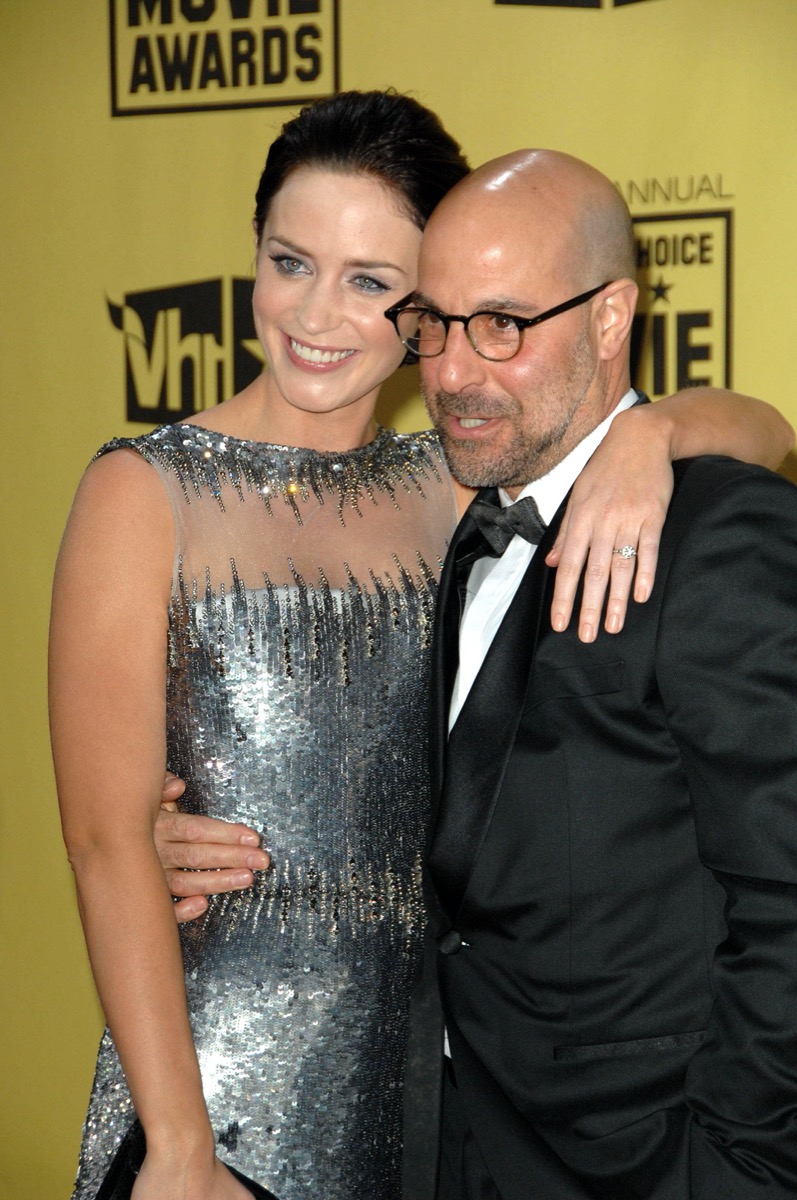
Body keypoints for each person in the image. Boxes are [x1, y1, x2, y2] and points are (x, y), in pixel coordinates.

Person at [50, 88, 791, 1200]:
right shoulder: (144, 489)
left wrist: (652, 431)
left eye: (371, 284)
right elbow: (104, 844)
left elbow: (764, 432)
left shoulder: (452, 483)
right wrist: (180, 1146)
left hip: (421, 1114)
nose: (316, 313)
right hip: (218, 1099)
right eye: (289, 262)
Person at [391, 148, 797, 1199]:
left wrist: (737, 1170)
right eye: (432, 323)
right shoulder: (458, 519)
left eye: (501, 324)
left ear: (610, 320)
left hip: (654, 1164)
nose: (450, 372)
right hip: (462, 1149)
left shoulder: (720, 533)